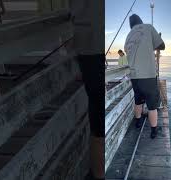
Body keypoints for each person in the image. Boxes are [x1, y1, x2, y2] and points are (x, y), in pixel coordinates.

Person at [69, 0, 104, 180]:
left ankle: (97, 172)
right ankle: (98, 172)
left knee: (97, 110)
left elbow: (75, 13)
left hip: (88, 49)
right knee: (98, 111)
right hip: (92, 48)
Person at [124, 14, 165, 139]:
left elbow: (129, 51)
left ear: (131, 25)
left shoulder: (128, 36)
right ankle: (153, 131)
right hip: (147, 75)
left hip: (134, 76)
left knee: (138, 101)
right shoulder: (148, 27)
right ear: (140, 21)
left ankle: (137, 123)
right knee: (152, 105)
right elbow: (162, 46)